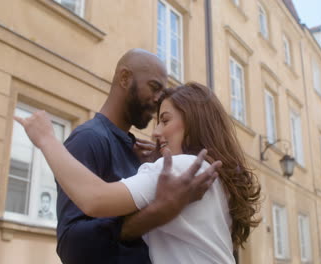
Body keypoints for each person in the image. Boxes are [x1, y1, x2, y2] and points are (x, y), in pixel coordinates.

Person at [15, 82, 262, 263]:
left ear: (195, 122)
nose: (156, 133)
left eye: (165, 121)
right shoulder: (214, 176)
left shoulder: (182, 168)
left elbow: (94, 198)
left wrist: (46, 139)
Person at [40, 49, 220, 264]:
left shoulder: (143, 154)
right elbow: (73, 248)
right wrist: (154, 214)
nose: (157, 100)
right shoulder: (89, 139)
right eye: (154, 88)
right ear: (124, 78)